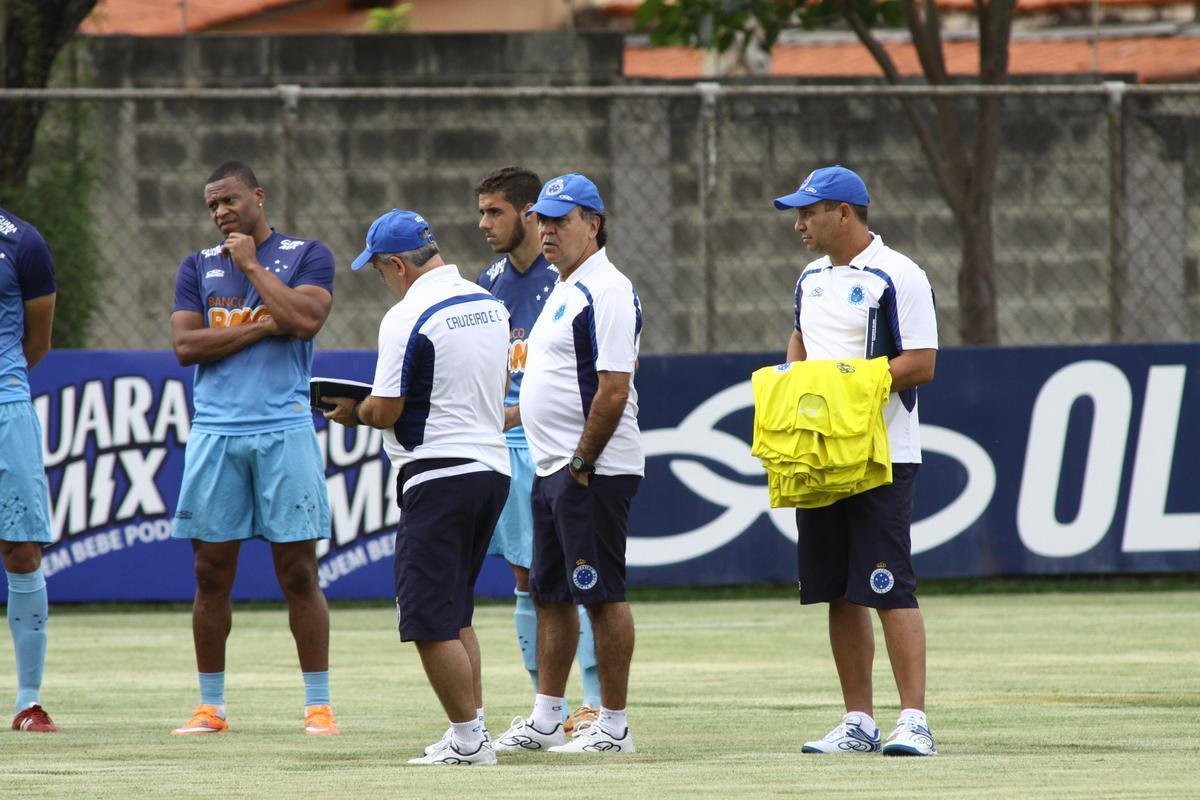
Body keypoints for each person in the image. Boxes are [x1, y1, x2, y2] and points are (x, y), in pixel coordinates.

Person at [324, 209, 511, 766]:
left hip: (437, 472)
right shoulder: (488, 302)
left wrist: (353, 410)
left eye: (378, 269)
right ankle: (472, 731)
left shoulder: (406, 315)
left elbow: (385, 409)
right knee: (456, 613)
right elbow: (500, 383)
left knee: (428, 616)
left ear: (397, 265)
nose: (381, 279)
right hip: (491, 468)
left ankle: (469, 741)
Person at [774, 165, 939, 756]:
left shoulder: (900, 274)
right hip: (821, 457)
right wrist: (793, 386)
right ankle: (858, 721)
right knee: (838, 590)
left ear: (843, 213)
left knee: (888, 585)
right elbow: (801, 341)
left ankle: (914, 721)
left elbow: (921, 362)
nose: (799, 224)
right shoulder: (810, 277)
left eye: (808, 213)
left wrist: (845, 386)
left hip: (883, 454)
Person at [169, 161, 339, 736]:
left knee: (299, 572)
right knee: (210, 572)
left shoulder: (307, 254)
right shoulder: (196, 266)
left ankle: (318, 707)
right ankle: (210, 707)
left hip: (284, 429)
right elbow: (186, 346)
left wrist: (251, 267)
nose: (221, 212)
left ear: (258, 197)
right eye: (212, 205)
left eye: (230, 201)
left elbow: (306, 319)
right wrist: (265, 326)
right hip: (216, 433)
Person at [493, 173, 643, 755]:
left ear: (593, 224)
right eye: (543, 220)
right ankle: (547, 718)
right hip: (553, 464)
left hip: (591, 469)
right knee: (551, 593)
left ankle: (614, 725)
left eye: (562, 220)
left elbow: (613, 387)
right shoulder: (565, 286)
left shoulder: (608, 289)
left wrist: (582, 460)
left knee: (600, 594)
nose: (547, 230)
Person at [474, 166, 602, 733]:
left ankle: (596, 701)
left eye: (494, 212)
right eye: (482, 212)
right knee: (528, 578)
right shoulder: (489, 281)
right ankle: (547, 707)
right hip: (507, 446)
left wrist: (519, 411)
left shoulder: (569, 280)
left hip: (558, 440)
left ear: (529, 215)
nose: (484, 224)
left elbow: (589, 378)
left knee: (583, 575)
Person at [0, 208, 58, 733]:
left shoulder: (22, 242)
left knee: (20, 550)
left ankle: (28, 701)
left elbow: (37, 342)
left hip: (6, 405)